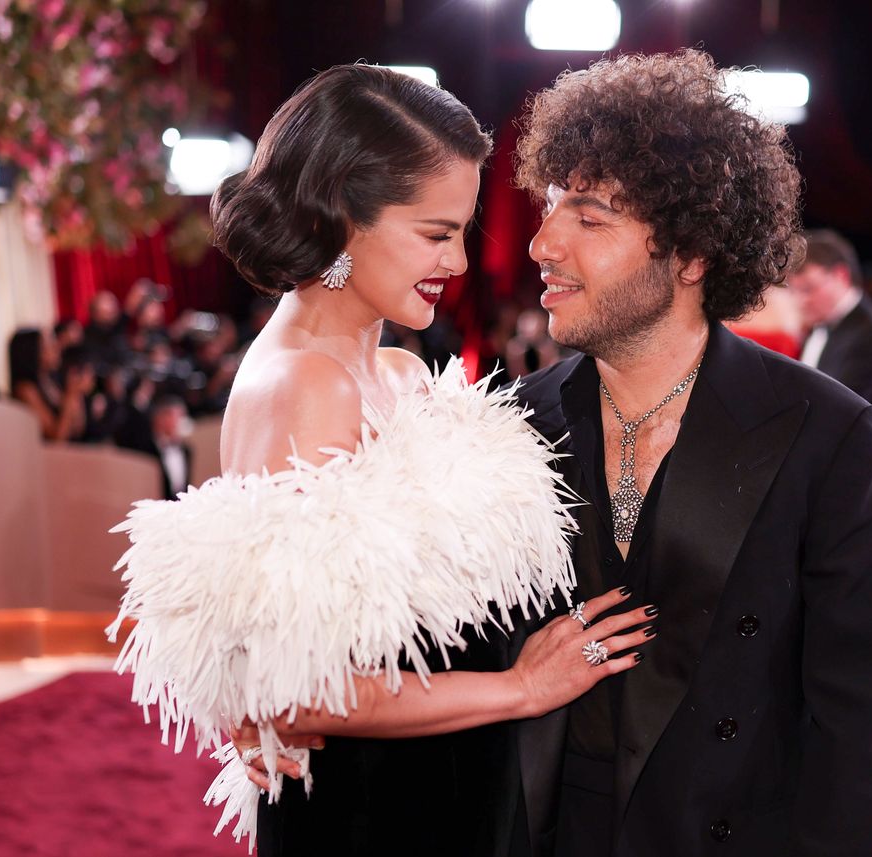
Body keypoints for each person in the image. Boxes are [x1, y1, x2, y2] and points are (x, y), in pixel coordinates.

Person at [198, 64, 655, 854]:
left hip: (442, 788)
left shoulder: (399, 372)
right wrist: (521, 686)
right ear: (342, 215)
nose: (460, 263)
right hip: (370, 815)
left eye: (462, 233)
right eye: (436, 233)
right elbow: (296, 694)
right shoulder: (307, 384)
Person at [508, 50, 872, 857]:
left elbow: (862, 724)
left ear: (692, 255)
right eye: (552, 206)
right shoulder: (513, 424)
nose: (544, 244)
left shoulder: (832, 438)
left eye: (590, 219)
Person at [787, 229, 872, 497]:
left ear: (841, 276)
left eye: (809, 289)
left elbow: (834, 411)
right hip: (844, 476)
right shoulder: (825, 327)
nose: (801, 301)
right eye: (795, 291)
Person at [7, 327, 91, 441]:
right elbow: (56, 440)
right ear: (33, 354)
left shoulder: (50, 381)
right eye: (49, 346)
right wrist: (70, 395)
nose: (56, 348)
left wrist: (77, 394)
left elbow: (78, 429)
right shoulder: (25, 389)